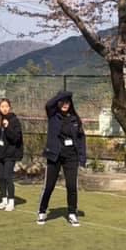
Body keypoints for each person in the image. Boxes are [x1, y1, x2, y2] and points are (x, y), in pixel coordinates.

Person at [37, 90, 86, 227]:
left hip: (71, 157)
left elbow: (81, 139)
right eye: (62, 102)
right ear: (58, 102)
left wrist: (82, 158)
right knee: (49, 186)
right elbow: (48, 105)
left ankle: (72, 213)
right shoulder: (53, 115)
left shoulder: (75, 119)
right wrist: (63, 95)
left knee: (72, 186)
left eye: (67, 102)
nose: (65, 104)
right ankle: (42, 211)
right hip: (54, 156)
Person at [0, 98, 23, 211]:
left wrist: (7, 127)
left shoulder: (14, 120)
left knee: (7, 177)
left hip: (10, 154)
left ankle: (11, 201)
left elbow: (16, 138)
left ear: (10, 107)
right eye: (2, 106)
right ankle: (3, 199)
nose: (4, 109)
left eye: (6, 106)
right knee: (1, 177)